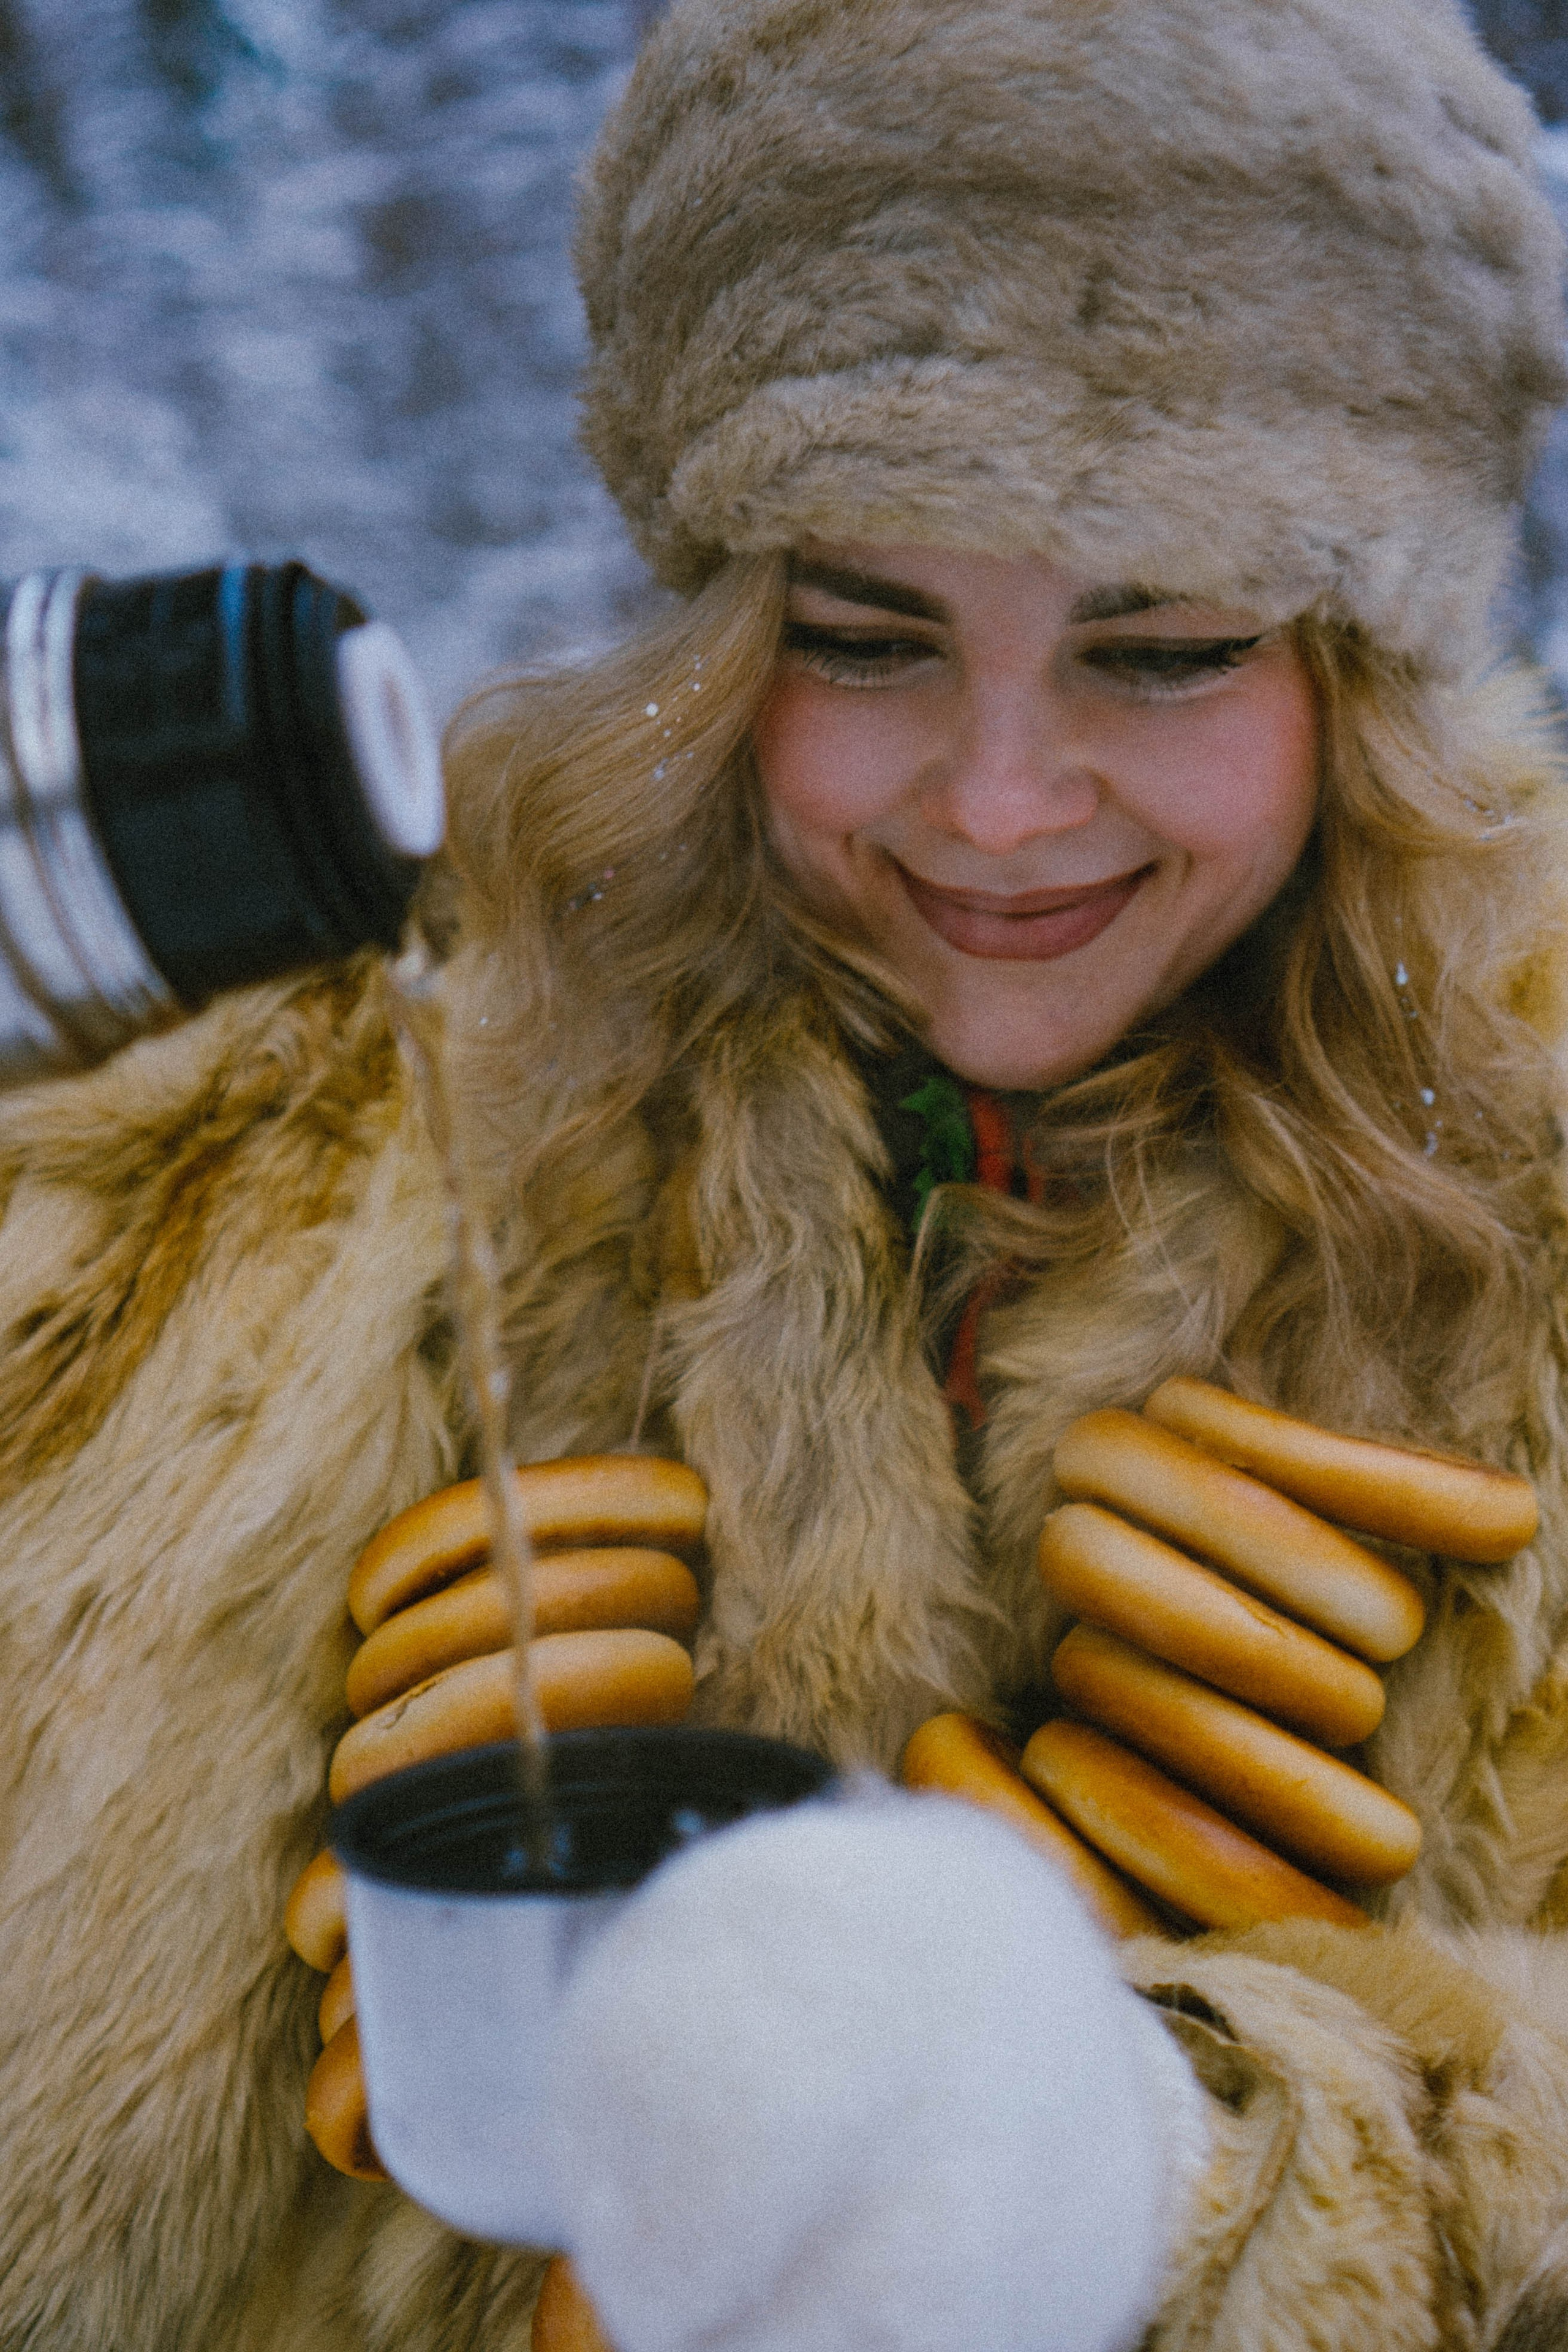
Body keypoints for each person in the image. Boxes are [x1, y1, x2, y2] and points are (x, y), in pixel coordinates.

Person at [5, 0, 1568, 2343]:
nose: (1001, 804)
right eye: (865, 638)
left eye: (1158, 651)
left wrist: (1165, 2176)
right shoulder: (340, 1114)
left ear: (1360, 673)